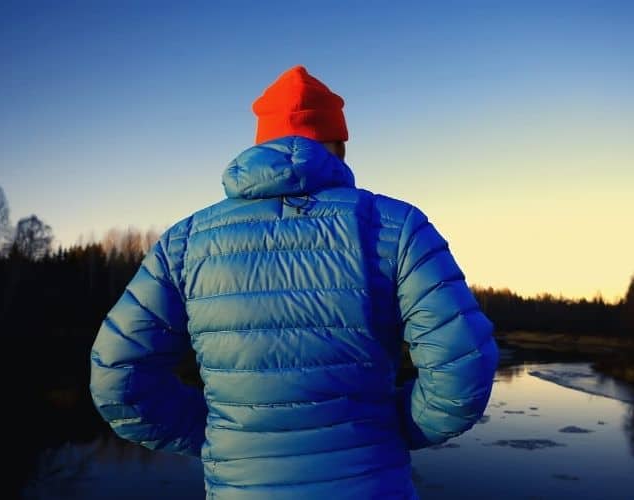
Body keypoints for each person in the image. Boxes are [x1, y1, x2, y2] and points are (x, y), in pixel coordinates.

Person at [89, 65, 499, 499]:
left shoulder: (184, 242)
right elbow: (462, 367)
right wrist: (392, 428)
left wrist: (216, 437)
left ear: (262, 143)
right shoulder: (397, 226)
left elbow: (119, 378)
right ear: (338, 145)